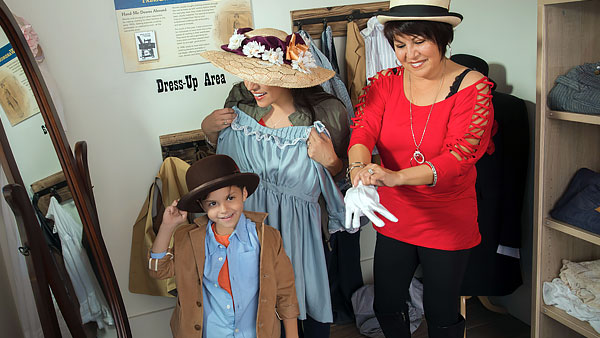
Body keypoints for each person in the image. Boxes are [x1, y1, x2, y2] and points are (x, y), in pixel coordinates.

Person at [345, 1, 495, 337]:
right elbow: (363, 128)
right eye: (400, 45)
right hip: (397, 214)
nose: (409, 54)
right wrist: (358, 169)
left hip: (446, 217)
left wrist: (395, 177)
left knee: (440, 312)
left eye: (419, 42)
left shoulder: (473, 88)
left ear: (442, 38)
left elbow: (459, 157)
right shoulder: (385, 83)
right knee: (385, 304)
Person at [200, 28, 350, 337]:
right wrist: (209, 131)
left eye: (261, 74)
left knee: (301, 308)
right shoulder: (241, 108)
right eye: (246, 74)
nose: (250, 84)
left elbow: (344, 180)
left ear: (286, 72)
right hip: (249, 231)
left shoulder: (327, 113)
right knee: (257, 312)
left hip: (301, 234)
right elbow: (224, 171)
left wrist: (331, 161)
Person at [148, 154, 300, 338]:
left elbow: (286, 293)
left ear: (244, 193)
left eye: (230, 198)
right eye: (213, 203)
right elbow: (158, 271)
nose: (224, 210)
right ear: (202, 206)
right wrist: (167, 227)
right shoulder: (187, 238)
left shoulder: (267, 238)